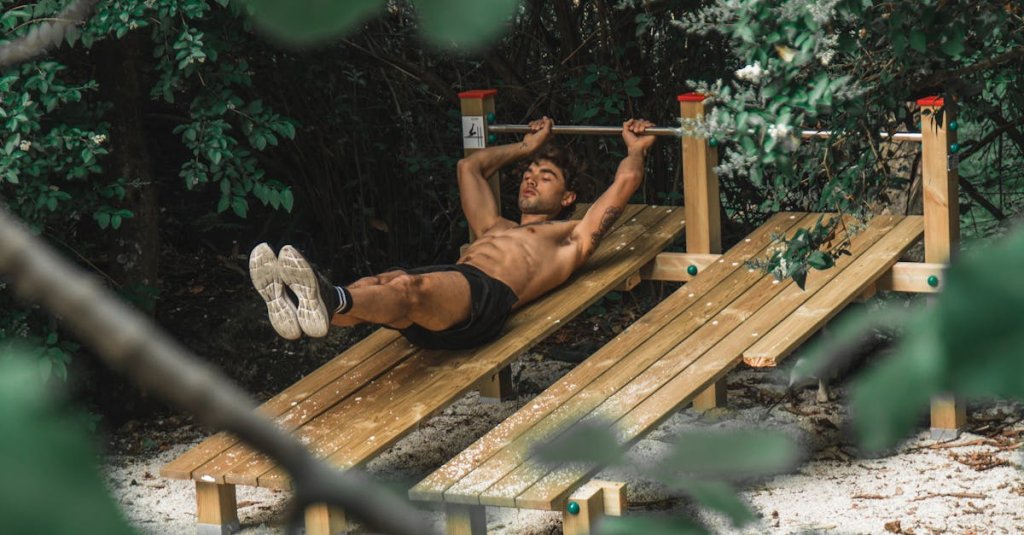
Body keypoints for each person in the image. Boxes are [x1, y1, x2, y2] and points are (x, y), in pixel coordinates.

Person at [249, 117, 656, 350]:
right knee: (385, 280)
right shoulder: (492, 227)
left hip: (487, 300)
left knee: (408, 287)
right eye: (528, 175)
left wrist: (635, 149)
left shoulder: (570, 237)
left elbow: (624, 185)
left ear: (568, 197)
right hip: (455, 287)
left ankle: (325, 296)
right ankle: (308, 307)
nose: (531, 181)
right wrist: (526, 147)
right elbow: (470, 169)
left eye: (545, 177)